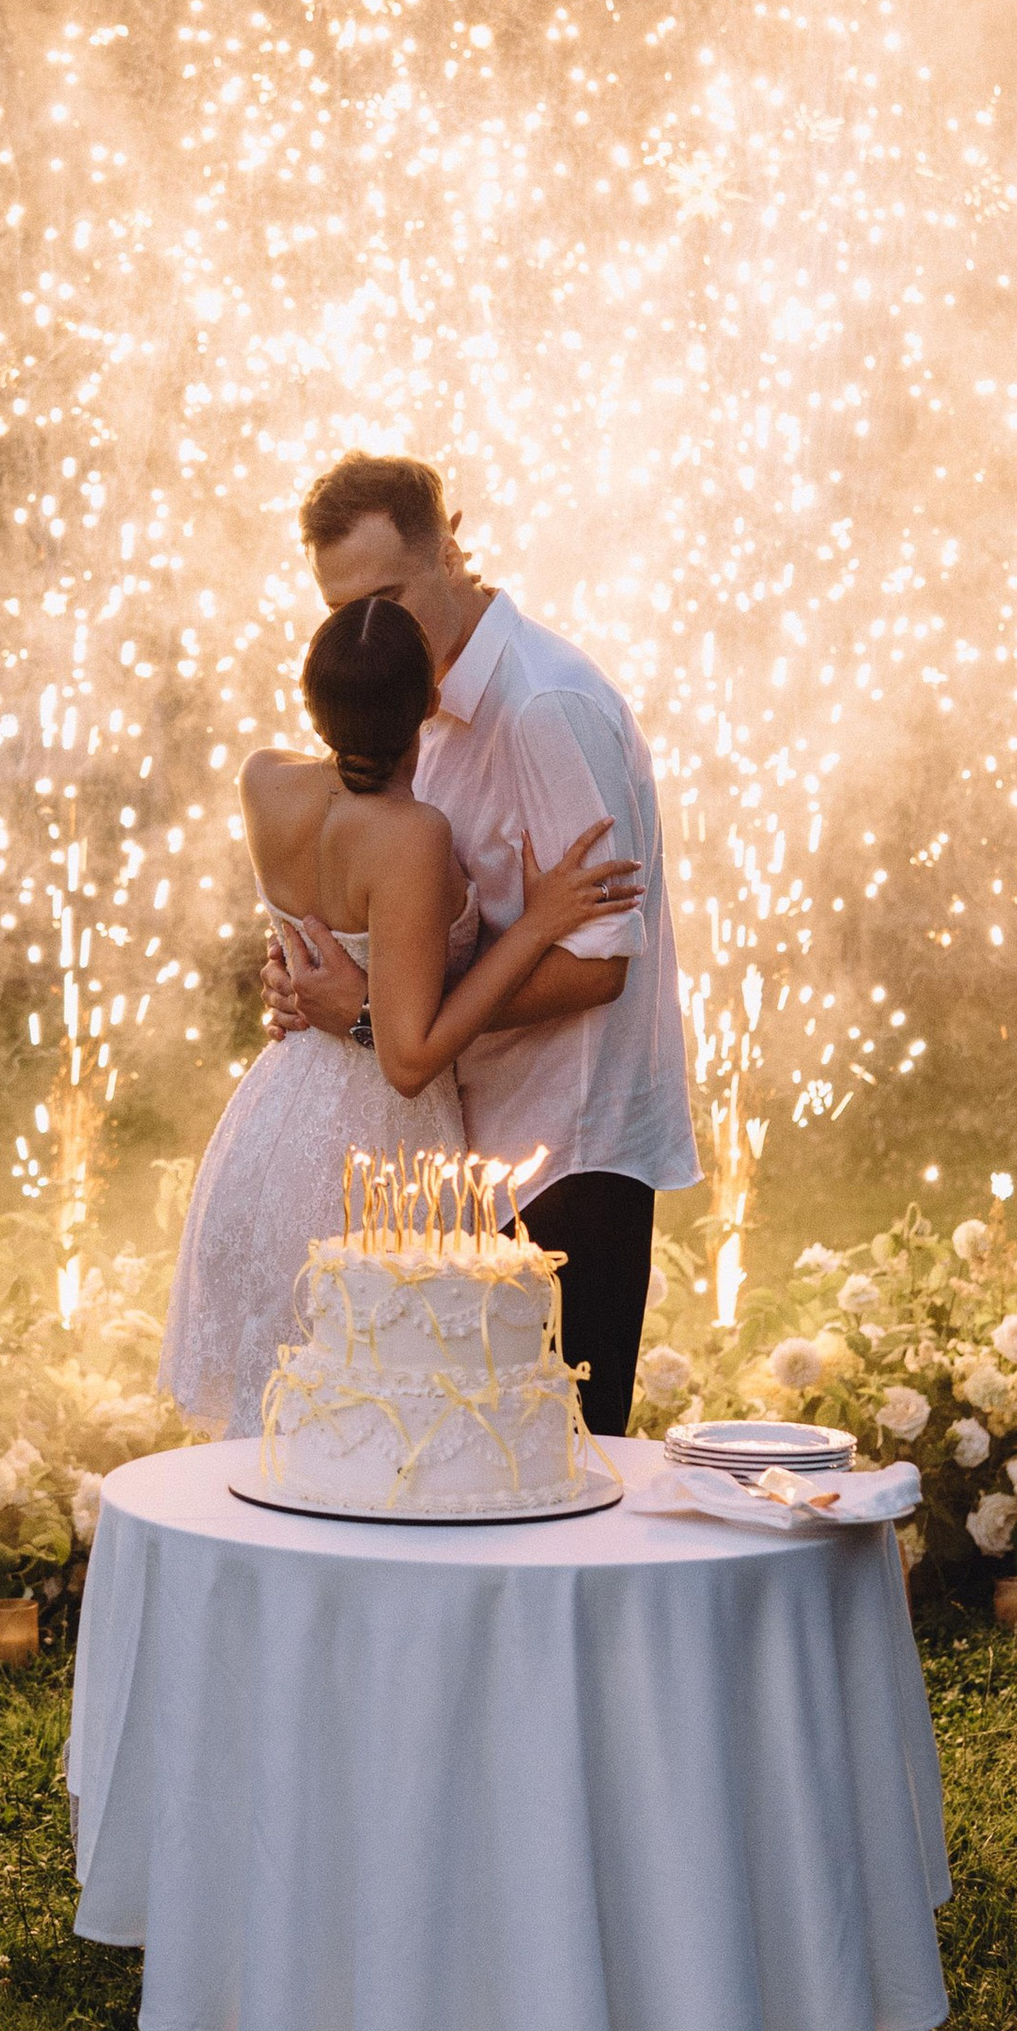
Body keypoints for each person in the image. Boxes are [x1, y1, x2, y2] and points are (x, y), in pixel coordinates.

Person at [267, 452, 697, 1439]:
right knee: (454, 1476)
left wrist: (381, 1014)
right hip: (463, 1154)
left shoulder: (543, 706)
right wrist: (318, 979)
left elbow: (596, 960)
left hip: (566, 1158)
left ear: (452, 549)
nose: (372, 630)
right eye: (342, 609)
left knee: (555, 1473)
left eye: (388, 593)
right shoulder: (408, 718)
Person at [154, 590, 642, 1436]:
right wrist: (535, 926)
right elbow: (409, 1061)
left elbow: (308, 924)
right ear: (427, 705)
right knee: (382, 1425)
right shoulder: (412, 836)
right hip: (370, 1153)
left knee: (284, 1433)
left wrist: (296, 972)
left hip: (269, 1126)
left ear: (312, 702)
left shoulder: (263, 781)